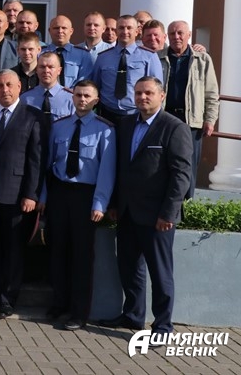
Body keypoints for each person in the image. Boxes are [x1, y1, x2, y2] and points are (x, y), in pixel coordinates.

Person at [99, 77, 192, 343]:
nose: (142, 97)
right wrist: (115, 203)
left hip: (157, 217)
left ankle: (162, 327)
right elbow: (120, 168)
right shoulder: (126, 124)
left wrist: (169, 213)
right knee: (129, 268)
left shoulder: (174, 128)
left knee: (160, 273)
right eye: (138, 93)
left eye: (148, 93)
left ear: (162, 96)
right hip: (128, 212)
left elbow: (181, 175)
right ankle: (133, 315)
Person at [39, 80, 116, 331]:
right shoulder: (59, 126)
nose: (82, 100)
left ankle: (78, 312)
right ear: (72, 97)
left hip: (86, 195)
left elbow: (106, 171)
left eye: (87, 96)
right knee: (58, 250)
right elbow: (48, 166)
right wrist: (44, 197)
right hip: (60, 193)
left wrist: (99, 203)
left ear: (96, 101)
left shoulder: (105, 129)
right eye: (79, 95)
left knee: (82, 256)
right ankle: (59, 304)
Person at [0, 69, 42, 320]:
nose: (4, 90)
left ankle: (7, 299)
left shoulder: (32, 116)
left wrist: (31, 194)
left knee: (13, 249)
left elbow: (36, 159)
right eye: (0, 86)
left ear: (19, 87)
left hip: (16, 195)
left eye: (9, 85)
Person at [160, 21, 219, 198]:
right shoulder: (158, 58)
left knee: (188, 165)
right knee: (162, 162)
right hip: (164, 118)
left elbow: (211, 93)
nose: (176, 37)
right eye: (172, 34)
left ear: (189, 35)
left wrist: (210, 119)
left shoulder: (202, 59)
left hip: (191, 121)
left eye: (180, 33)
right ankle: (164, 202)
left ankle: (187, 203)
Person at [93, 15, 163, 125]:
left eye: (129, 28)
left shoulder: (149, 56)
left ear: (137, 31)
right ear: (116, 31)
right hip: (107, 114)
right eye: (121, 28)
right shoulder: (103, 57)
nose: (125, 31)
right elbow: (95, 86)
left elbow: (157, 90)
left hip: (136, 114)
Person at [20, 52, 75, 127]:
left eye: (51, 67)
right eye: (42, 67)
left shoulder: (71, 98)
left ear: (59, 70)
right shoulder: (25, 98)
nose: (46, 71)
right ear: (36, 70)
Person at [42, 15, 93, 88]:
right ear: (49, 31)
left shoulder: (83, 54)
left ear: (71, 31)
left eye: (64, 28)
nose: (60, 31)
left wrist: (69, 93)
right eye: (56, 28)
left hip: (73, 94)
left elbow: (84, 81)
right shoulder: (40, 53)